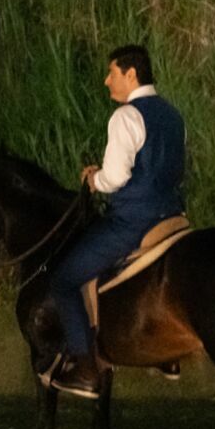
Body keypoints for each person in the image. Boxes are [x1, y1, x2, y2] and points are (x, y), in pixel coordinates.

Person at [48, 44, 187, 398]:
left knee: (63, 279)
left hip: (134, 220)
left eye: (112, 73)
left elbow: (116, 178)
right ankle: (163, 352)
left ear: (131, 74)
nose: (107, 80)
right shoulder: (173, 115)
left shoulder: (125, 116)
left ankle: (84, 367)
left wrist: (93, 180)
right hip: (173, 217)